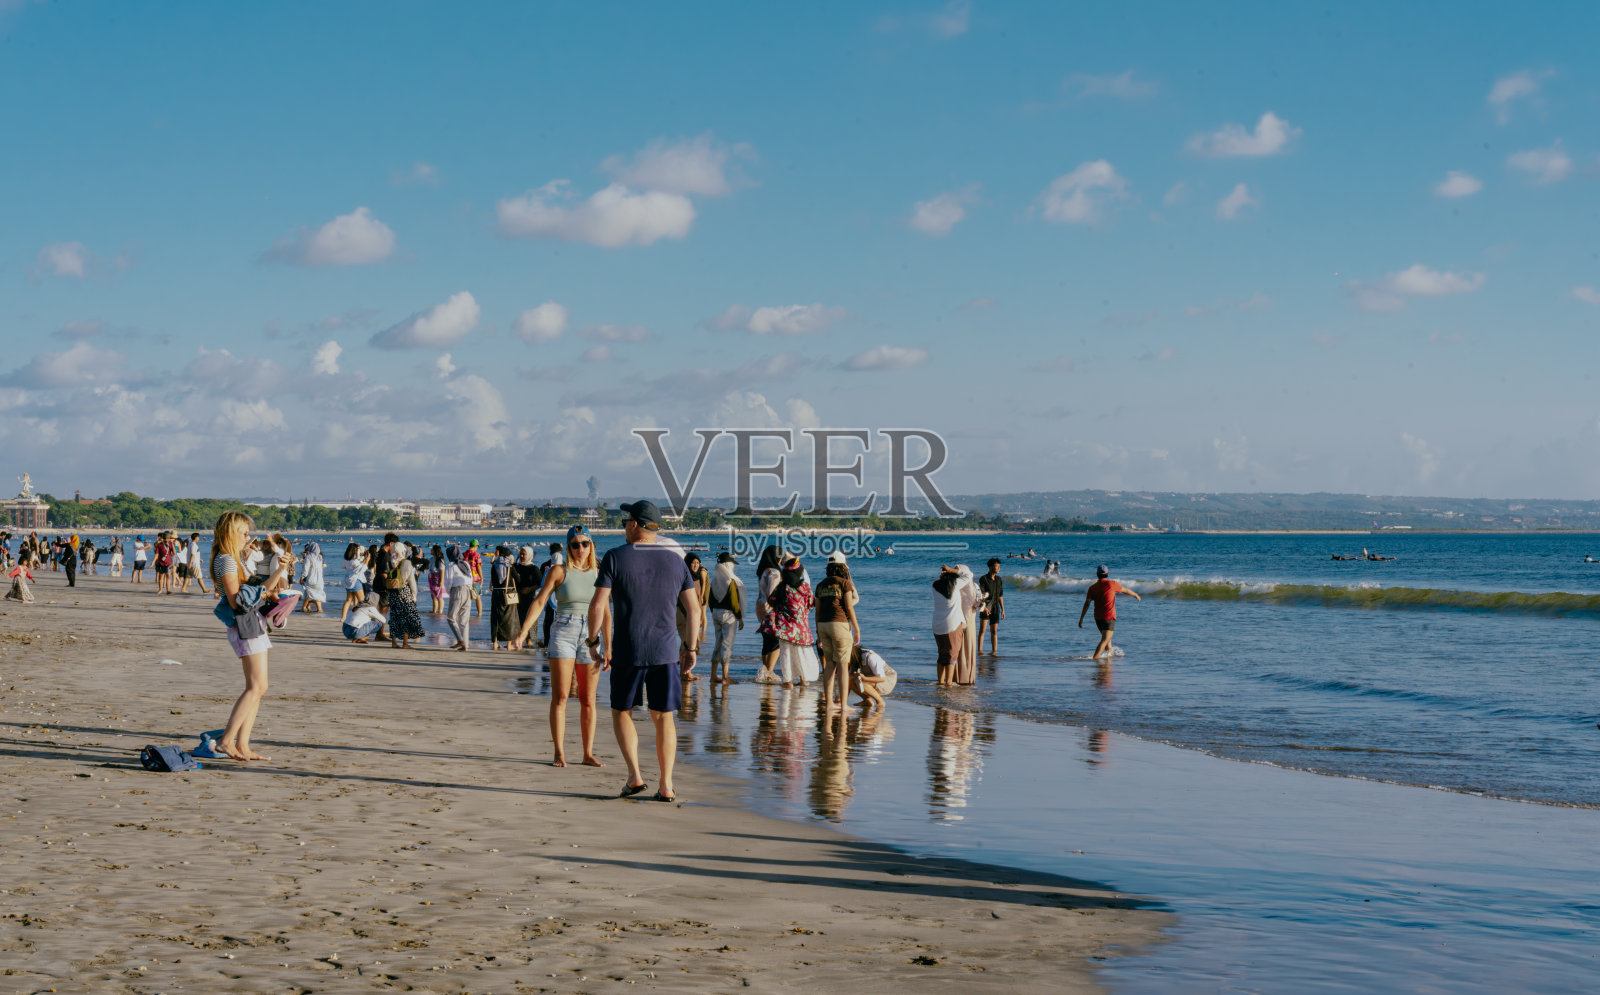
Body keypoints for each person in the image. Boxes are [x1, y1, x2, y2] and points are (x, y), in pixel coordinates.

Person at [586, 500, 699, 802]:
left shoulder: (614, 557)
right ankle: (666, 785)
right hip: (665, 652)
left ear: (635, 524)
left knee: (622, 711)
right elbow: (694, 610)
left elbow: (598, 605)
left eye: (626, 521)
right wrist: (690, 647)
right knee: (664, 717)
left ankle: (635, 776)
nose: (624, 526)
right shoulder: (677, 561)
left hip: (628, 650)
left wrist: (593, 641)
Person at [512, 525, 604, 767]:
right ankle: (559, 753)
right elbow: (540, 601)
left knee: (588, 698)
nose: (581, 548)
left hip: (591, 634)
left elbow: (605, 610)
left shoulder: (599, 572)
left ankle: (587, 753)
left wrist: (610, 644)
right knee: (561, 695)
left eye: (585, 543)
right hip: (563, 630)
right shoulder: (559, 571)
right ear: (568, 547)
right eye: (575, 544)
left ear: (591, 545)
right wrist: (523, 632)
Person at [207, 510, 275, 762]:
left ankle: (243, 744)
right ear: (230, 531)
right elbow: (236, 601)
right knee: (257, 686)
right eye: (244, 531)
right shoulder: (225, 559)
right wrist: (263, 594)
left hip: (250, 623)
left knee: (257, 687)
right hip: (243, 623)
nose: (248, 536)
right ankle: (227, 741)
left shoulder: (231, 557)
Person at [813, 558, 859, 712]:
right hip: (839, 624)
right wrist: (857, 628)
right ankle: (844, 705)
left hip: (823, 625)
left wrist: (818, 633)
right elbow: (849, 607)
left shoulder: (820, 585)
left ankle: (829, 704)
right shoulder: (845, 583)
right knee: (843, 666)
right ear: (843, 567)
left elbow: (817, 612)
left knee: (829, 665)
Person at [765, 555, 817, 689]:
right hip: (801, 627)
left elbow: (771, 600)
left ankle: (788, 681)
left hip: (785, 626)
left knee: (786, 653)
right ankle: (803, 679)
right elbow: (811, 604)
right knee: (801, 653)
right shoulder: (805, 587)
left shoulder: (783, 587)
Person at [1080, 564, 1140, 659]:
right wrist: (1136, 595)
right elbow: (1126, 590)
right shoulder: (1112, 584)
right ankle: (1095, 659)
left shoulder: (1092, 588)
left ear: (1097, 574)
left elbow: (1086, 603)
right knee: (1105, 640)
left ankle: (1108, 663)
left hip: (1098, 618)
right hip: (1108, 617)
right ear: (1107, 574)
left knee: (1108, 641)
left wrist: (1081, 618)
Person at [706, 552, 745, 685]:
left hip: (715, 613)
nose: (733, 567)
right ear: (728, 566)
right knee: (727, 645)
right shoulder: (730, 582)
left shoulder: (714, 581)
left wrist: (713, 612)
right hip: (728, 615)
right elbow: (734, 602)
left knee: (718, 643)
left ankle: (713, 675)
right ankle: (725, 677)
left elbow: (709, 600)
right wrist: (739, 618)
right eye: (732, 565)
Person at [930, 564, 968, 686]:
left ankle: (941, 683)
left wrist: (946, 573)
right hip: (952, 624)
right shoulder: (955, 585)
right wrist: (951, 570)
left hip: (937, 624)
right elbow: (969, 574)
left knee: (942, 655)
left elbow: (940, 579)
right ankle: (949, 684)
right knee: (952, 656)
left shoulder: (934, 585)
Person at [752, 545, 784, 682]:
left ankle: (764, 671)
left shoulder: (764, 571)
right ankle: (769, 673)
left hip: (760, 608)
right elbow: (772, 593)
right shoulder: (775, 572)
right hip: (771, 609)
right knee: (776, 642)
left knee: (767, 640)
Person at [678, 553, 712, 681]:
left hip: (692, 615)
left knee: (690, 643)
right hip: (683, 614)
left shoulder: (697, 577)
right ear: (688, 563)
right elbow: (681, 600)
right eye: (693, 562)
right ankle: (684, 673)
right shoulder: (684, 577)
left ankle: (686, 672)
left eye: (698, 562)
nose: (696, 565)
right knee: (685, 642)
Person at [387, 542, 426, 649]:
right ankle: (405, 643)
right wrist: (414, 595)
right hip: (404, 593)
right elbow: (411, 581)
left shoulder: (391, 561)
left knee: (394, 617)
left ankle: (394, 642)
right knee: (407, 617)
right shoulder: (407, 563)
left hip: (392, 592)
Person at [488, 545, 521, 650]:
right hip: (508, 594)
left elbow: (493, 580)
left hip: (496, 594)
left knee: (495, 618)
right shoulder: (509, 566)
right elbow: (518, 580)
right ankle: (509, 644)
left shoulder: (494, 565)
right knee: (509, 618)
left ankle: (495, 643)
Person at [442, 546, 473, 650]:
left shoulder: (451, 565)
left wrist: (450, 592)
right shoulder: (466, 564)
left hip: (457, 591)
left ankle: (460, 641)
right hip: (468, 591)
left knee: (451, 618)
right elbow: (471, 578)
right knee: (464, 620)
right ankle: (466, 645)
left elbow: (448, 581)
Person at [849, 644, 896, 710]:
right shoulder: (854, 660)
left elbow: (881, 678)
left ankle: (880, 702)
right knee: (849, 679)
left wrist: (865, 678)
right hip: (871, 677)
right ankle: (867, 700)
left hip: (887, 679)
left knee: (863, 684)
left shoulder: (871, 657)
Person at [976, 558, 1005, 654]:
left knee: (994, 631)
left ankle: (994, 652)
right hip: (986, 606)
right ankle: (980, 651)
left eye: (999, 566)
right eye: (996, 566)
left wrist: (1003, 610)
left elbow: (1000, 595)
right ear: (990, 567)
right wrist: (984, 608)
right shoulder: (983, 579)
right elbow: (980, 595)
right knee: (983, 630)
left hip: (996, 608)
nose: (998, 568)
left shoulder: (999, 580)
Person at [512, 546, 542, 635]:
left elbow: (540, 583)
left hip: (529, 597)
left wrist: (529, 589)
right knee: (517, 618)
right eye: (520, 553)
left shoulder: (534, 568)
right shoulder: (516, 567)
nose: (521, 556)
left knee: (529, 617)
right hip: (516, 597)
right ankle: (517, 638)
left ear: (529, 555)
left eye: (523, 554)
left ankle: (529, 639)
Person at [340, 542, 367, 622]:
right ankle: (360, 616)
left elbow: (344, 566)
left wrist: (362, 559)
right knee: (361, 600)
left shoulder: (347, 560)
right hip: (355, 581)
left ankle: (343, 617)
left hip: (348, 580)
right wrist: (367, 561)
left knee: (348, 600)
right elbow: (361, 569)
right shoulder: (354, 561)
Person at [299, 542, 325, 613]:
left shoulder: (309, 556)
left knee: (309, 593)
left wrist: (302, 577)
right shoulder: (320, 557)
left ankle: (304, 607)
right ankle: (319, 609)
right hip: (319, 579)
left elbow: (306, 569)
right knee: (317, 594)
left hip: (311, 577)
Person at [463, 539, 484, 618]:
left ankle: (466, 613)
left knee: (467, 597)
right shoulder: (477, 555)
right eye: (477, 547)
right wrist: (481, 577)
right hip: (475, 579)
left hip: (465, 578)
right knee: (478, 597)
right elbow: (478, 567)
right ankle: (479, 614)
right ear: (475, 546)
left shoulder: (464, 554)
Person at [427, 545, 446, 614]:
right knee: (433, 596)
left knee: (439, 596)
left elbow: (442, 571)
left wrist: (441, 581)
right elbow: (428, 566)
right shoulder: (431, 559)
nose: (431, 551)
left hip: (438, 578)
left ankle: (440, 611)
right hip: (432, 578)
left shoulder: (440, 560)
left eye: (432, 550)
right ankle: (434, 610)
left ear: (435, 551)